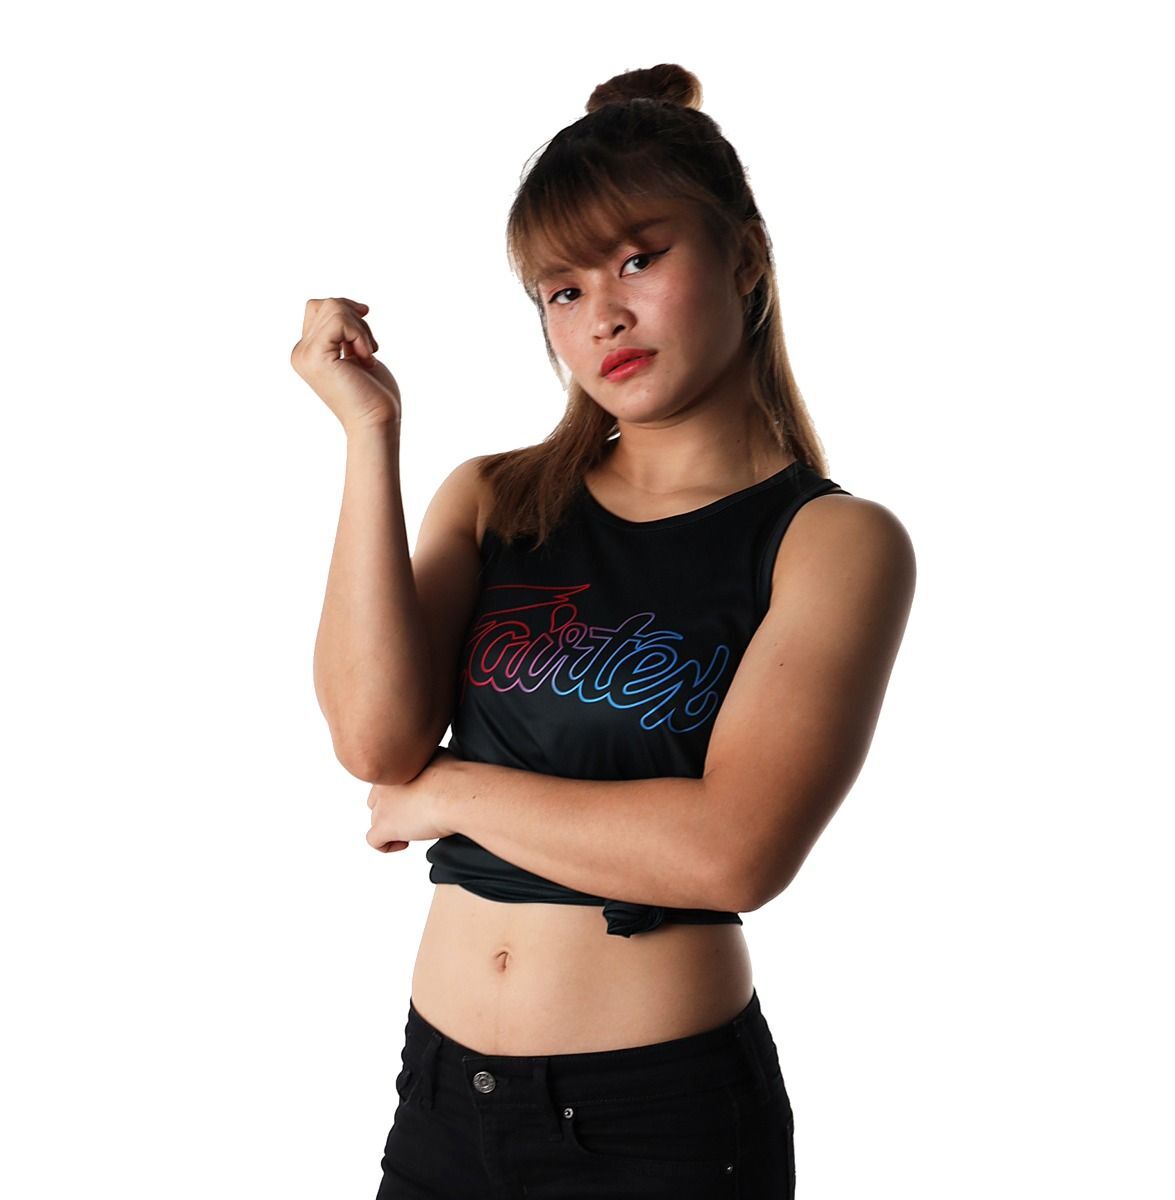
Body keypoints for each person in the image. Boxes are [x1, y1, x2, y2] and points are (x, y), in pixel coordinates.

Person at [293, 62, 915, 1199]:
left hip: (656, 1122)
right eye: (562, 291)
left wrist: (448, 796)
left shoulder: (830, 542)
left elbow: (734, 852)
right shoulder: (494, 499)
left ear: (742, 254)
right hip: (438, 1098)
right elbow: (376, 745)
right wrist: (369, 437)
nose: (605, 315)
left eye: (640, 257)